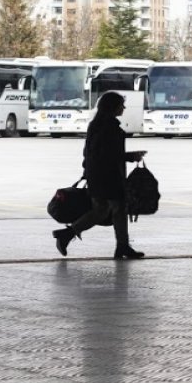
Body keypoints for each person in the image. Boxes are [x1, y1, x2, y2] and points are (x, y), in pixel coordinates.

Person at [52, 92, 148, 260]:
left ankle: (70, 234)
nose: (123, 108)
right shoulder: (109, 127)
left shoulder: (96, 125)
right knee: (116, 209)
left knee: (103, 210)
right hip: (108, 176)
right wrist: (130, 156)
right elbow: (108, 155)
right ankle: (121, 246)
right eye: (121, 105)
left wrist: (88, 171)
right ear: (112, 107)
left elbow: (90, 152)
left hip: (96, 175)